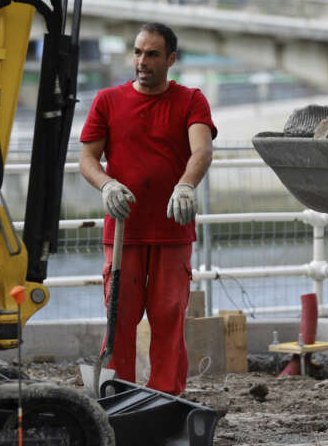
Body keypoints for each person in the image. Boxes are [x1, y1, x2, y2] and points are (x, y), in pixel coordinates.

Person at [79, 22, 217, 395]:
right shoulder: (107, 101)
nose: (142, 61)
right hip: (124, 233)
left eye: (153, 54)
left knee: (169, 317)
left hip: (172, 231)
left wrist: (186, 185)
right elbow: (87, 158)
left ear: (171, 59)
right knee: (119, 319)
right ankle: (117, 394)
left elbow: (201, 149)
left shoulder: (191, 100)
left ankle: (166, 397)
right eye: (138, 52)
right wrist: (106, 183)